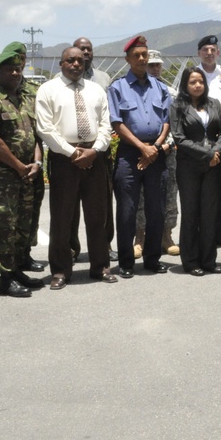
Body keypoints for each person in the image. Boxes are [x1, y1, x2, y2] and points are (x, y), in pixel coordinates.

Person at [35, 47, 115, 289]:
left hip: (94, 157)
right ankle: (60, 271)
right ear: (61, 64)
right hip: (64, 159)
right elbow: (45, 129)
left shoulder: (95, 89)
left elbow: (105, 125)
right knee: (62, 217)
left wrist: (95, 149)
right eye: (71, 60)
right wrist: (73, 152)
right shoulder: (48, 89)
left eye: (80, 60)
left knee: (97, 215)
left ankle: (100, 266)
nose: (76, 64)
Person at [0, 50, 46, 297]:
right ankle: (6, 279)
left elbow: (38, 135)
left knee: (23, 226)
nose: (15, 73)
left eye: (18, 69)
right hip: (2, 178)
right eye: (9, 69)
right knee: (5, 227)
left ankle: (17, 270)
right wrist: (19, 166)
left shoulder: (27, 99)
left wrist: (36, 163)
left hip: (29, 174)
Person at [108, 36, 172, 278]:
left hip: (156, 153)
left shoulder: (160, 87)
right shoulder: (117, 88)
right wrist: (141, 148)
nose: (142, 59)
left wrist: (154, 147)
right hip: (129, 154)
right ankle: (125, 261)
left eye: (145, 55)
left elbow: (166, 120)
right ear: (127, 59)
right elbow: (117, 122)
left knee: (157, 209)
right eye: (137, 55)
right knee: (127, 209)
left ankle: (152, 259)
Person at [170, 67, 221, 276]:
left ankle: (208, 260)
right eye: (193, 82)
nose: (197, 85)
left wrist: (215, 153)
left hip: (213, 166)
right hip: (189, 167)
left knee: (209, 214)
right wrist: (206, 154)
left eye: (200, 81)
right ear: (185, 84)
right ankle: (191, 261)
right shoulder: (178, 106)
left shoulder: (214, 104)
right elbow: (179, 137)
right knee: (191, 213)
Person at [65, 37, 116, 262]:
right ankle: (71, 248)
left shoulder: (104, 79)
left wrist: (97, 148)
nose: (85, 54)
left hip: (99, 150)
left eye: (88, 50)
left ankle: (105, 245)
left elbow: (108, 115)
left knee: (102, 202)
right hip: (70, 152)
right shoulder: (61, 79)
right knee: (71, 205)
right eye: (81, 50)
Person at [135, 50, 179, 257]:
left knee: (169, 194)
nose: (153, 69)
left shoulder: (172, 92)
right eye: (150, 65)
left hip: (167, 152)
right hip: (141, 150)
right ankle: (140, 237)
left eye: (157, 65)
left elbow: (175, 124)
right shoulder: (133, 89)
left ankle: (166, 235)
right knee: (141, 196)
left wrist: (165, 146)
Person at [196, 34, 221, 250]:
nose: (209, 53)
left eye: (213, 50)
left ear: (218, 53)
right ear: (199, 53)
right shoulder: (191, 75)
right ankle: (204, 233)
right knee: (201, 187)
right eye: (205, 50)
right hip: (200, 138)